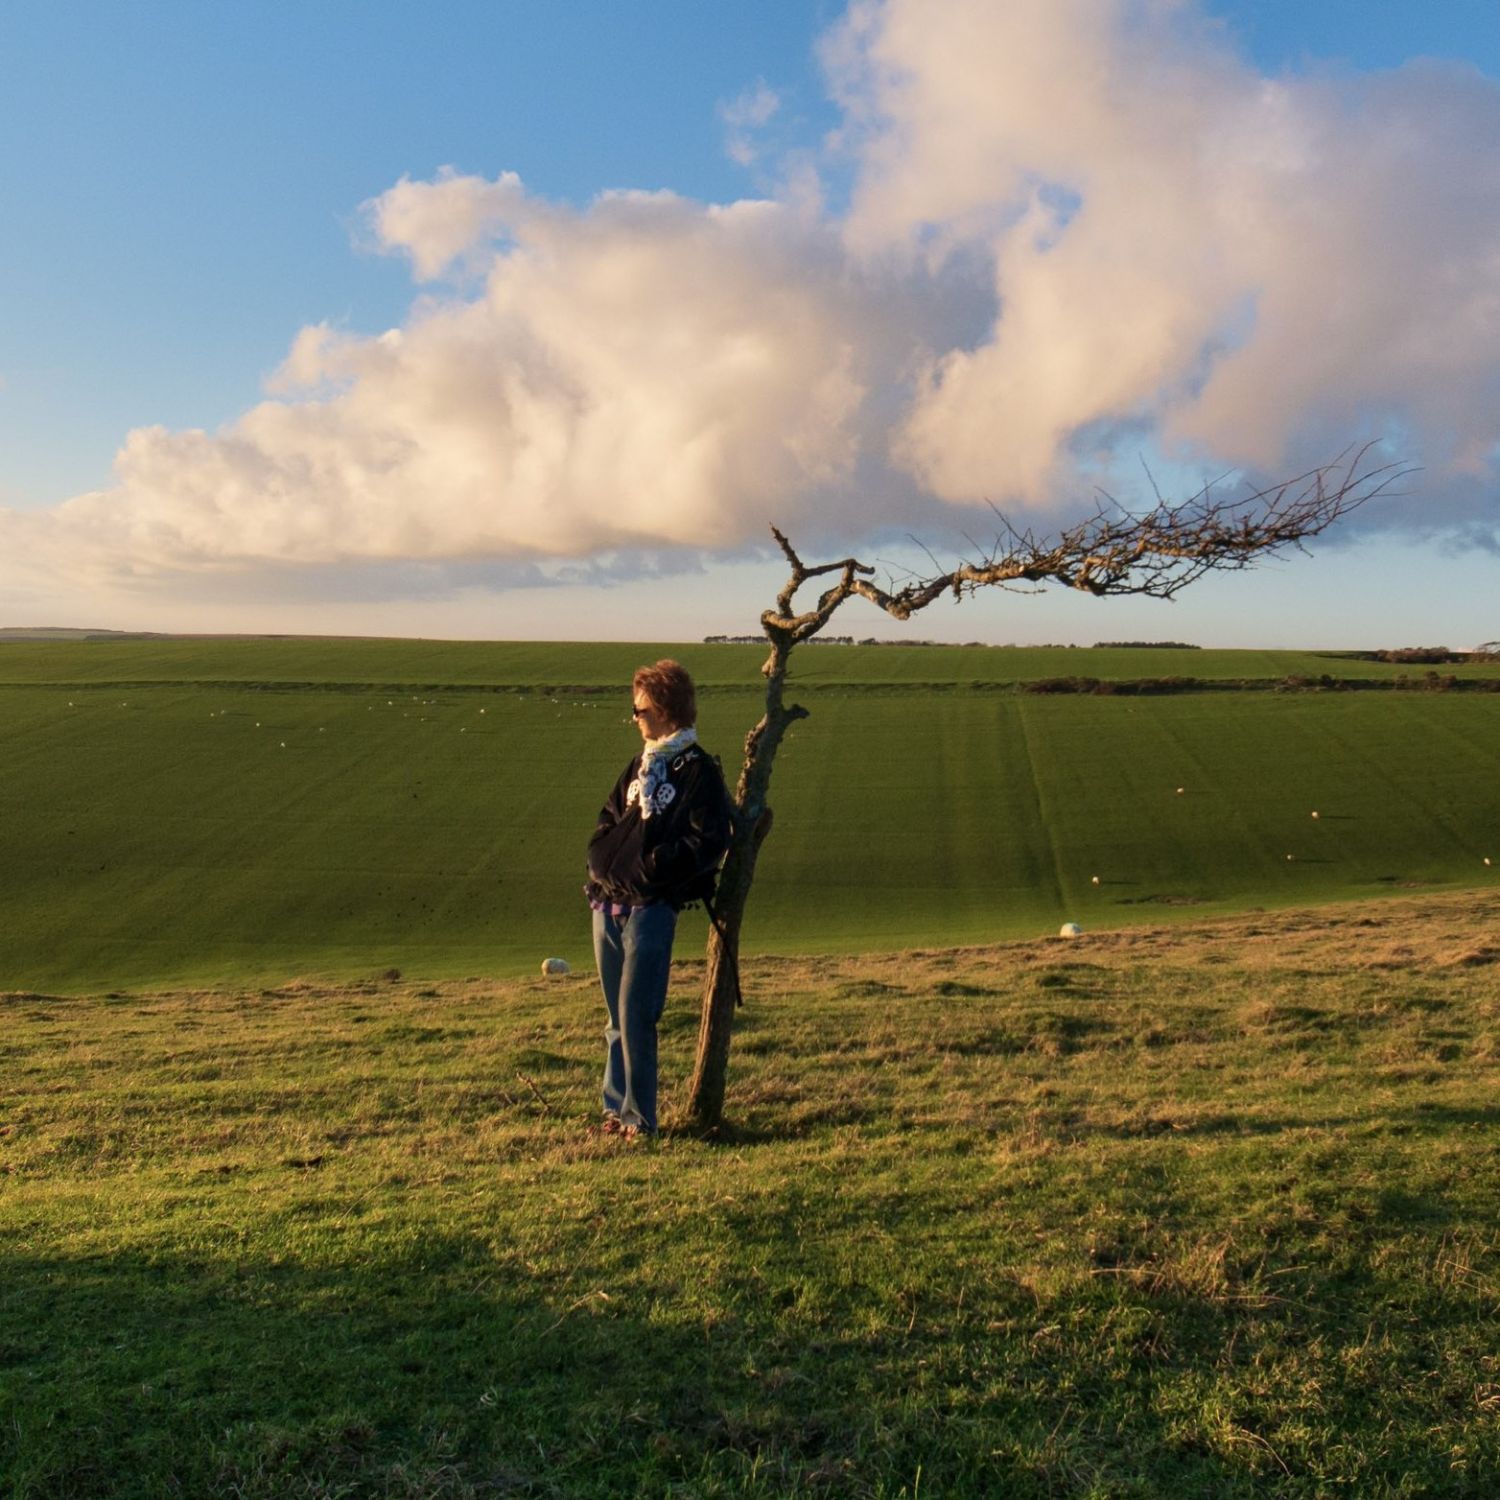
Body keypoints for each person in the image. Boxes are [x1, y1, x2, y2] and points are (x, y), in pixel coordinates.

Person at [585, 659, 733, 1138]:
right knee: (614, 1017)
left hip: (651, 909)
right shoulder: (639, 764)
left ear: (667, 710)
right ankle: (614, 1111)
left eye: (641, 709)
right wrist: (604, 859)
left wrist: (649, 871)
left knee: (636, 1015)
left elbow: (708, 842)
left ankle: (639, 1120)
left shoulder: (698, 772)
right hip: (606, 905)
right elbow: (609, 820)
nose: (635, 717)